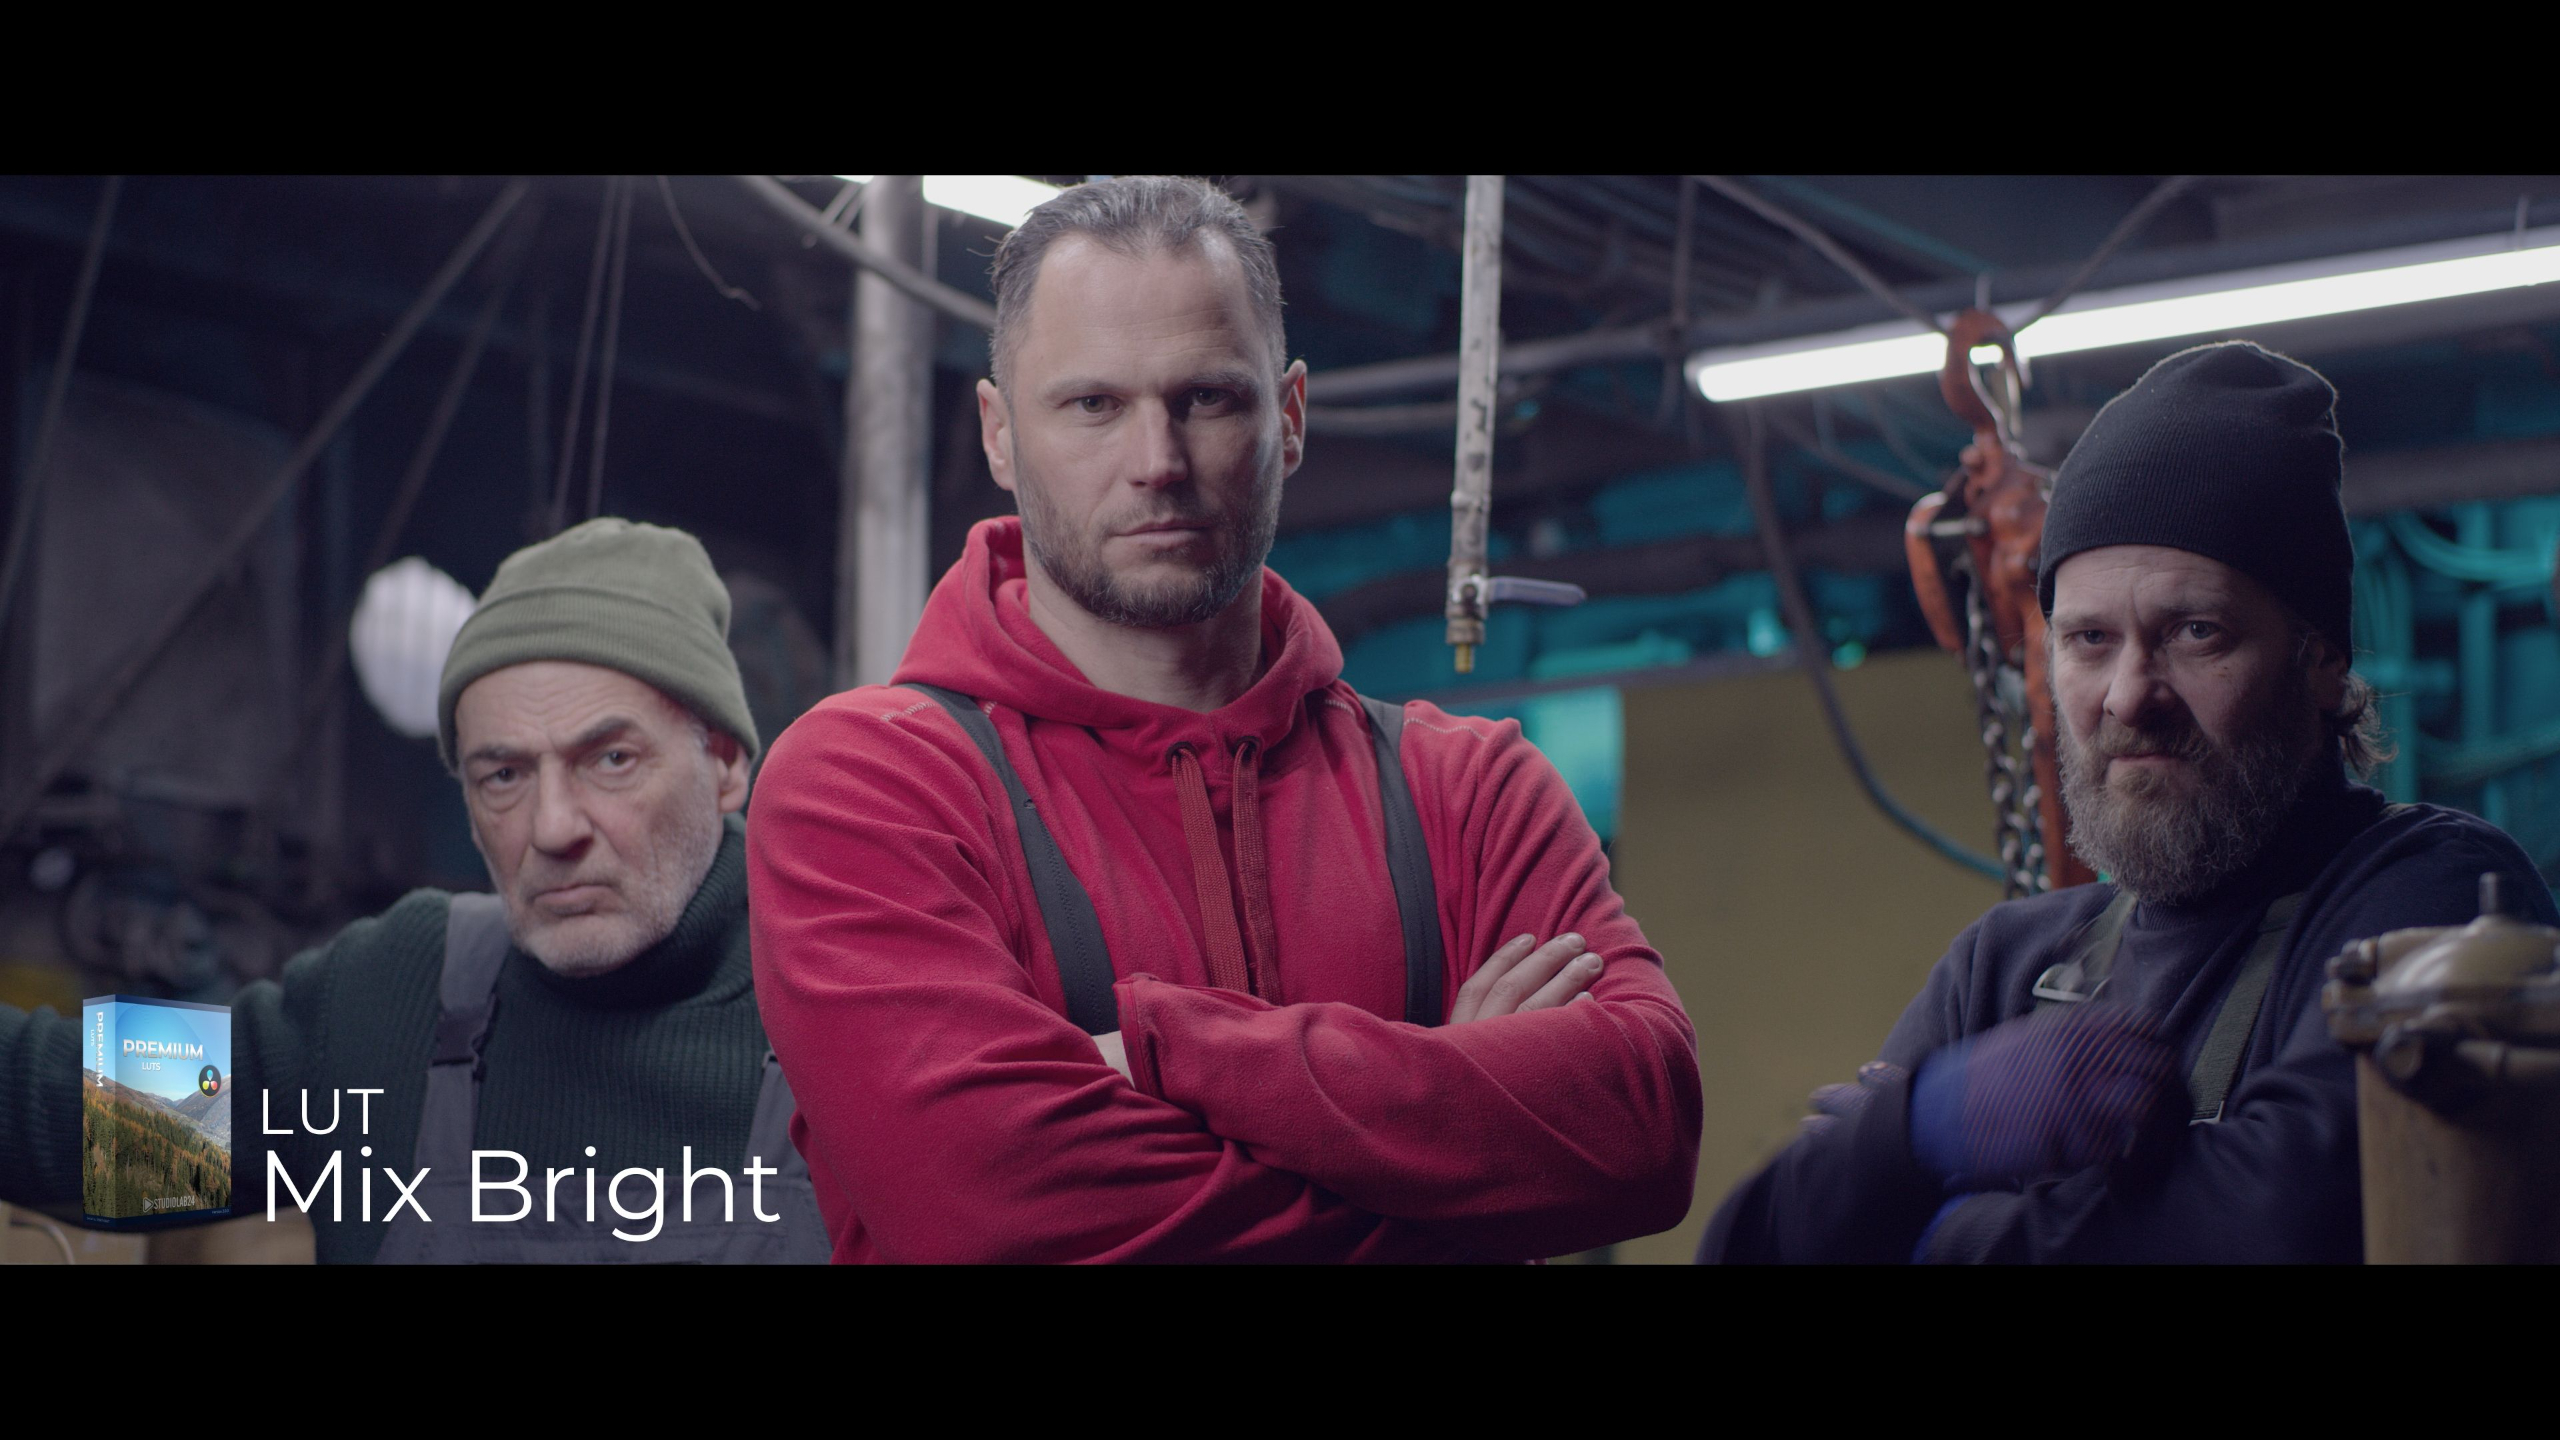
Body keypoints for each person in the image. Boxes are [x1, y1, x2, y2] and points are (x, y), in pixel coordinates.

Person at [748, 176, 1702, 1263]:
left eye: (1205, 398)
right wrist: (1456, 1150)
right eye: (1092, 405)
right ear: (1000, 435)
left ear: (1288, 418)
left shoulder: (1466, 789)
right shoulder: (867, 786)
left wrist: (1170, 1052)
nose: (1156, 462)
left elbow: (1642, 1128)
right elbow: (991, 1213)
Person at [1700, 340, 2558, 1264]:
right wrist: (1917, 1129)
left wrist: (1932, 1226)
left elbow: (2282, 1225)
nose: (2128, 695)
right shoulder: (2006, 969)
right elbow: (1749, 1250)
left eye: (2196, 632)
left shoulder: (2431, 899)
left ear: (2319, 659)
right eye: (2090, 639)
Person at [0, 518, 830, 1262]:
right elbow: (75, 1120)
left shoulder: (846, 1010)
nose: (552, 827)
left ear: (725, 762)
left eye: (610, 759)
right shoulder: (402, 999)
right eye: (504, 775)